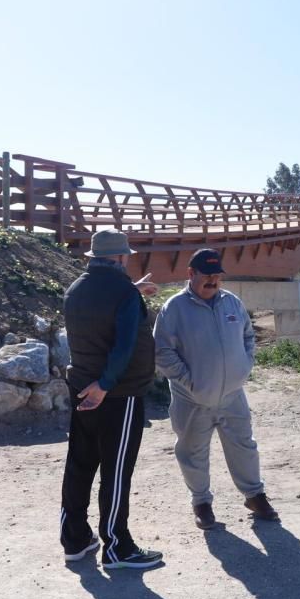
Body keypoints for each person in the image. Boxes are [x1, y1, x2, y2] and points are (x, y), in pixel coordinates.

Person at [153, 248, 279, 530]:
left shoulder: (232, 303)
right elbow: (162, 350)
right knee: (192, 451)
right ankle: (201, 503)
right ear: (191, 274)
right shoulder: (174, 308)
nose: (213, 280)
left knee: (244, 447)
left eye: (217, 275)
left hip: (233, 395)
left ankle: (255, 496)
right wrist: (189, 381)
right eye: (207, 275)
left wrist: (244, 366)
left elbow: (248, 335)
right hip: (192, 398)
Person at [59, 228, 163, 569]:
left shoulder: (77, 289)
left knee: (80, 465)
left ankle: (75, 540)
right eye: (126, 256)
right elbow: (123, 346)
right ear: (120, 258)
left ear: (93, 257)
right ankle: (118, 546)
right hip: (117, 393)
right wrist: (105, 385)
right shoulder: (123, 293)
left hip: (81, 388)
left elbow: (100, 311)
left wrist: (133, 292)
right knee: (116, 472)